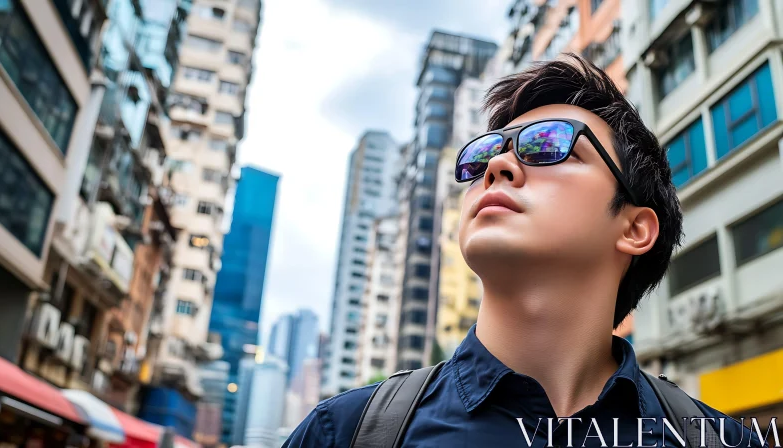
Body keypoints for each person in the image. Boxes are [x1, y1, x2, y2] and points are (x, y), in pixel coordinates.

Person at [283, 55, 766, 447]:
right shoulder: (346, 432)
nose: (498, 166)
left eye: (549, 145)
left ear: (636, 228)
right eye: (483, 155)